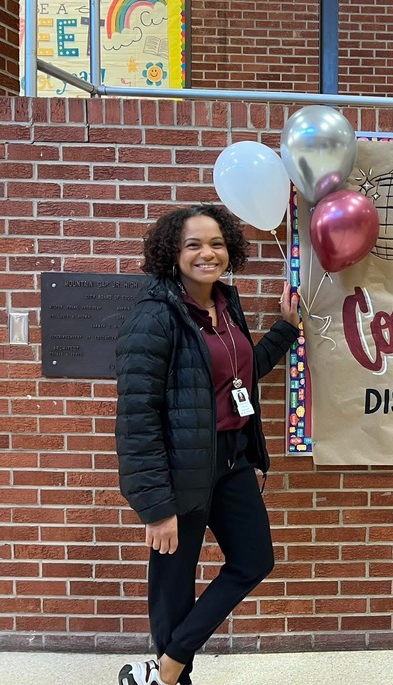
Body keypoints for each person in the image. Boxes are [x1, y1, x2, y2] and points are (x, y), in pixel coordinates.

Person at [114, 204, 299, 685]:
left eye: (216, 243)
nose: (207, 253)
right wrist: (155, 505)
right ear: (171, 253)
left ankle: (167, 666)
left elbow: (239, 373)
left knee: (254, 560)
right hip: (182, 468)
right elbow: (137, 418)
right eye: (193, 244)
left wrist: (284, 331)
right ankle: (172, 677)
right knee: (173, 584)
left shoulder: (225, 302)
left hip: (232, 459)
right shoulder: (154, 318)